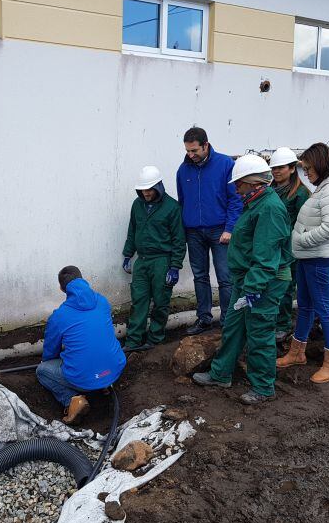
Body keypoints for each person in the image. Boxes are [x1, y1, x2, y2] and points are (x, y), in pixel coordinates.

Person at [192, 155, 292, 405]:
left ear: (254, 182)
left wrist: (254, 288)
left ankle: (263, 387)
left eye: (240, 184)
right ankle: (221, 373)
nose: (236, 189)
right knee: (234, 327)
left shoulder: (269, 208)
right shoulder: (255, 203)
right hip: (245, 281)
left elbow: (267, 256)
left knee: (259, 333)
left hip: (263, 283)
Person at [277, 143, 329, 383]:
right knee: (305, 306)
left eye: (308, 168)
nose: (306, 173)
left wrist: (301, 240)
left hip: (320, 259)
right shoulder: (325, 187)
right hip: (309, 257)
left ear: (321, 165)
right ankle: (296, 353)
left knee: (324, 309)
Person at [37, 266, 126, 424]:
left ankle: (71, 401)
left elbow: (51, 352)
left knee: (42, 371)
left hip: (83, 379)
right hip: (114, 368)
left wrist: (51, 360)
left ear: (62, 288)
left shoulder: (59, 316)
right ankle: (103, 386)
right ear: (83, 279)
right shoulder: (102, 301)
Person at [176, 127, 243, 334]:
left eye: (194, 150)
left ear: (206, 145)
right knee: (200, 276)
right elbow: (182, 201)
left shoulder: (225, 165)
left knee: (225, 277)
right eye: (188, 151)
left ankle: (227, 320)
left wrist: (230, 228)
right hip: (194, 232)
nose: (190, 155)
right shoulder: (183, 170)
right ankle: (203, 318)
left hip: (220, 230)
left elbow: (236, 199)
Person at [122, 166, 186, 349]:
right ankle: (134, 340)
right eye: (142, 189)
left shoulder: (172, 207)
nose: (146, 193)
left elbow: (179, 240)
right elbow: (132, 230)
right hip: (142, 261)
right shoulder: (137, 204)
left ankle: (155, 339)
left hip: (162, 261)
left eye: (149, 189)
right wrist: (128, 254)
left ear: (159, 187)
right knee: (139, 300)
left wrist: (175, 267)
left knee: (161, 301)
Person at [269, 147, 311, 346]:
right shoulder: (269, 191)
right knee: (271, 285)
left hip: (289, 248)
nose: (276, 171)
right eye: (274, 168)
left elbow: (303, 223)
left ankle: (283, 325)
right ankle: (272, 320)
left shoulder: (300, 193)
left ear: (292, 168)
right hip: (270, 246)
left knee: (285, 287)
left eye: (281, 167)